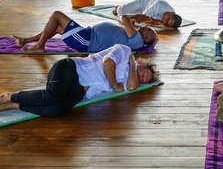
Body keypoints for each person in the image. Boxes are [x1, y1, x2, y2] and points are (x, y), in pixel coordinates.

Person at [0, 44, 156, 116]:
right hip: (70, 69)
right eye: (144, 73)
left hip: (78, 90)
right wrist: (115, 84)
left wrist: (134, 67)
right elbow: (107, 63)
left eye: (145, 80)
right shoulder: (124, 50)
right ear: (143, 64)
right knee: (52, 95)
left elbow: (133, 86)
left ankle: (15, 105)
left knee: (57, 110)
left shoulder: (131, 77)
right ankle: (8, 97)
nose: (142, 78)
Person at [12, 11, 157, 53]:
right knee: (55, 27)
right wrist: (135, 19)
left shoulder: (137, 39)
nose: (147, 27)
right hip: (86, 35)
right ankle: (25, 41)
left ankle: (40, 46)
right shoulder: (136, 35)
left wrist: (135, 16)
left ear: (147, 38)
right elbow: (129, 23)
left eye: (149, 30)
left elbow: (124, 18)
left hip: (86, 40)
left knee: (56, 15)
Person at [113, 0, 182, 29]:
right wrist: (159, 22)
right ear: (172, 13)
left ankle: (123, 9)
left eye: (167, 23)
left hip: (146, 12)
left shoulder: (170, 18)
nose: (165, 21)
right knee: (121, 11)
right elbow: (143, 17)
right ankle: (118, 7)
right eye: (168, 19)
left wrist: (165, 26)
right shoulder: (161, 5)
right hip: (144, 3)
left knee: (128, 17)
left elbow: (146, 22)